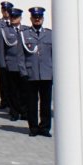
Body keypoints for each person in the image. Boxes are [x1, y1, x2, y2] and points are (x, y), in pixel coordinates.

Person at [21, 7, 53, 137]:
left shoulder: (50, 34)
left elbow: (55, 55)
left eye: (39, 18)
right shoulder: (24, 34)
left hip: (46, 73)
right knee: (31, 103)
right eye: (35, 18)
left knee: (46, 103)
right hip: (31, 73)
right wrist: (23, 72)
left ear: (43, 19)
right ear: (31, 19)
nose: (37, 20)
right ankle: (33, 127)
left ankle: (45, 127)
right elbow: (20, 56)